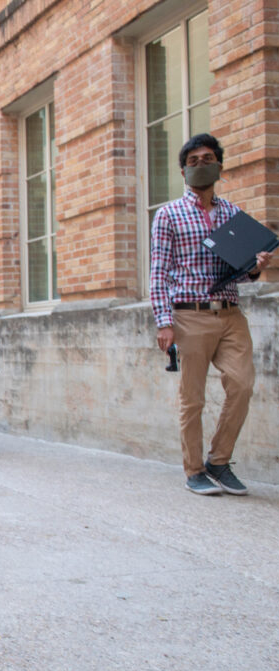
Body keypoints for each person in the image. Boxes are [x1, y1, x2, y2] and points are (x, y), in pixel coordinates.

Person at [150, 133, 271, 495]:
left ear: (219, 164)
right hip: (190, 315)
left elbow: (244, 270)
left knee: (242, 385)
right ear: (183, 169)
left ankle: (219, 461)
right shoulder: (168, 214)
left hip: (231, 313)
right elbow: (159, 271)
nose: (202, 164)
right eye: (194, 160)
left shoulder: (233, 213)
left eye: (208, 158)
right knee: (193, 398)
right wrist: (164, 321)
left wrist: (257, 265)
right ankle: (194, 469)